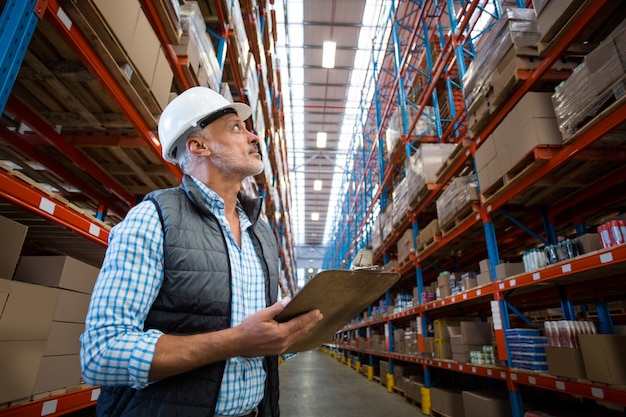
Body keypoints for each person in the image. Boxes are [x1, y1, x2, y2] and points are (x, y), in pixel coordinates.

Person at [80, 86, 323, 417]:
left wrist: (299, 328)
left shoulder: (260, 232)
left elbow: (259, 334)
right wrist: (236, 341)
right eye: (236, 127)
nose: (253, 137)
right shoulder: (154, 220)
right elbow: (101, 355)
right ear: (198, 146)